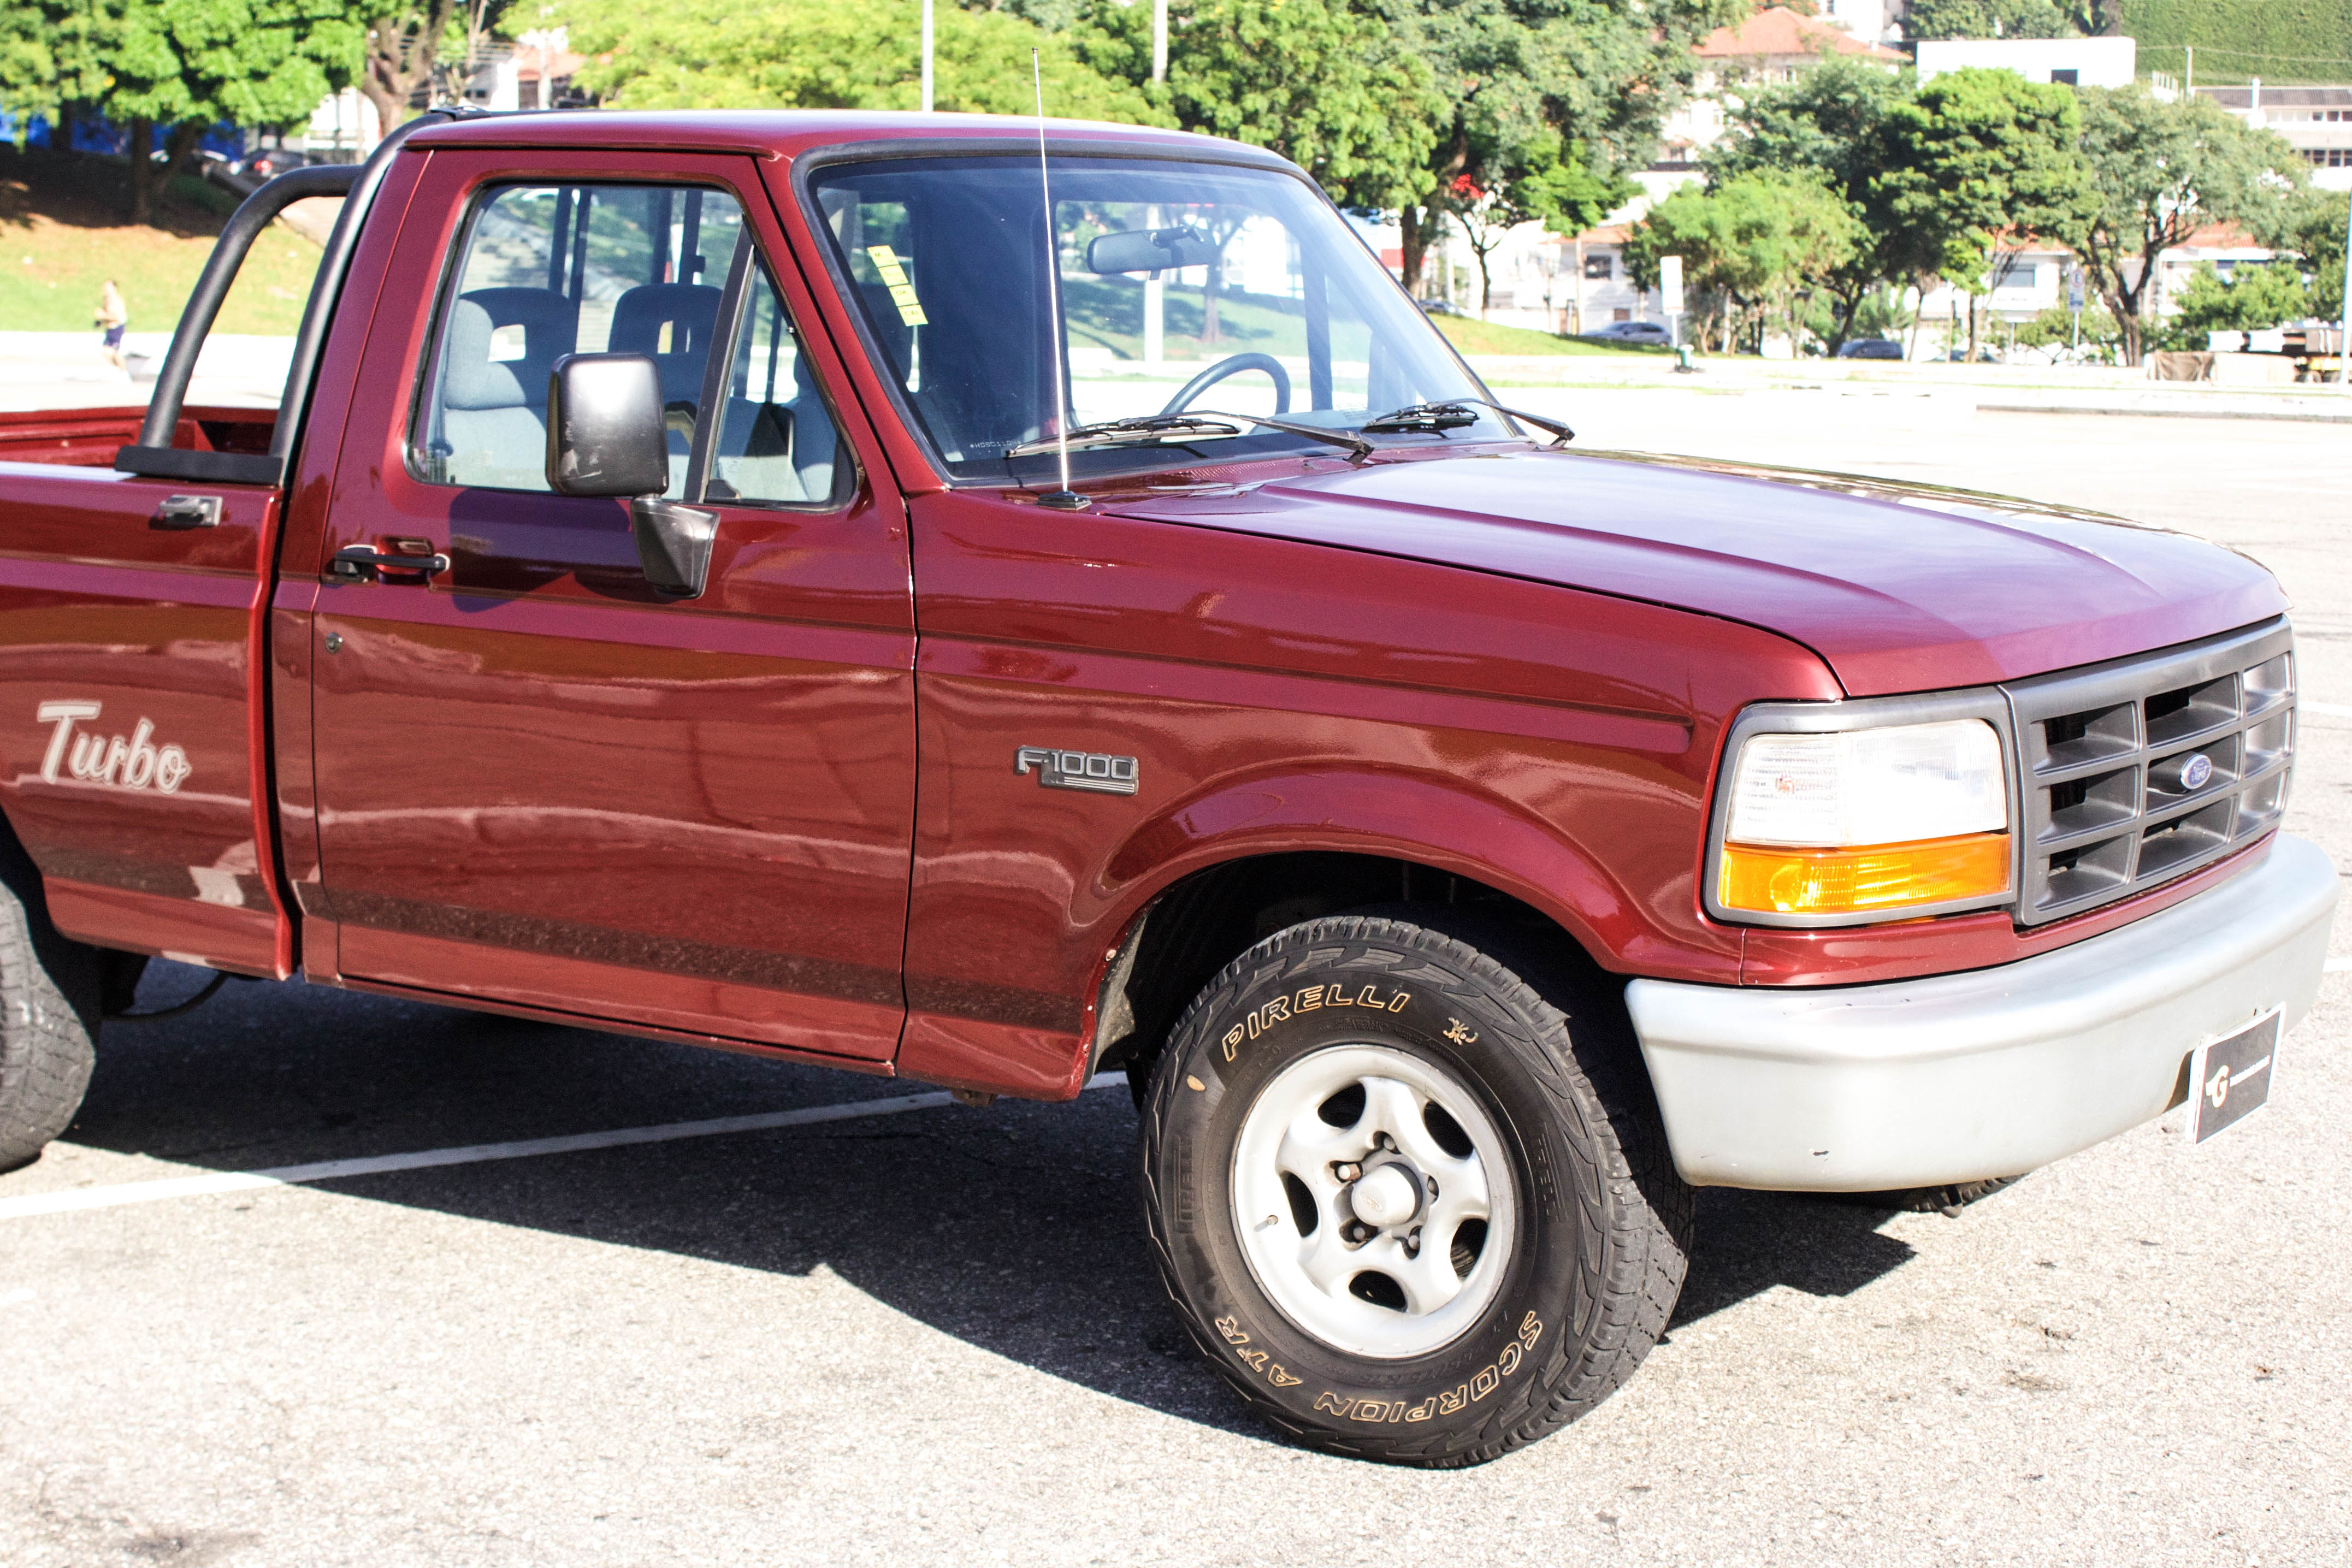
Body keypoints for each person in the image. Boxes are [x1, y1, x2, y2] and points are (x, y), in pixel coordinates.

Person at [96, 280, 127, 372]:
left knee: (116, 353)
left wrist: (103, 315)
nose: (105, 289)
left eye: (108, 287)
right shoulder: (106, 300)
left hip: (117, 329)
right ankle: (119, 369)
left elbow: (118, 317)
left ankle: (124, 372)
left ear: (114, 288)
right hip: (110, 329)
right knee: (106, 353)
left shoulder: (116, 301)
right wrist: (100, 322)